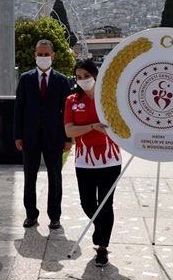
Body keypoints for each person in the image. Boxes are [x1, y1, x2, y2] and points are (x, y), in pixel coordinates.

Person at [64, 59, 122, 266]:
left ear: (95, 75)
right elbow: (69, 131)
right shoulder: (72, 100)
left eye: (86, 76)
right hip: (84, 160)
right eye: (79, 77)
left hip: (110, 159)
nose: (83, 80)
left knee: (106, 204)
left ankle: (102, 248)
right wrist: (92, 127)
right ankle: (101, 227)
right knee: (87, 203)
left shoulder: (108, 98)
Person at [14, 39, 72, 229]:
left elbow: (67, 112)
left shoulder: (62, 81)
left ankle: (55, 215)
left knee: (55, 177)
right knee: (29, 176)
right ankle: (31, 214)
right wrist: (17, 135)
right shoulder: (25, 79)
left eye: (47, 55)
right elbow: (19, 109)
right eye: (40, 54)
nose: (43, 58)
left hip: (54, 137)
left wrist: (67, 138)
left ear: (53, 56)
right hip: (30, 135)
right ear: (35, 55)